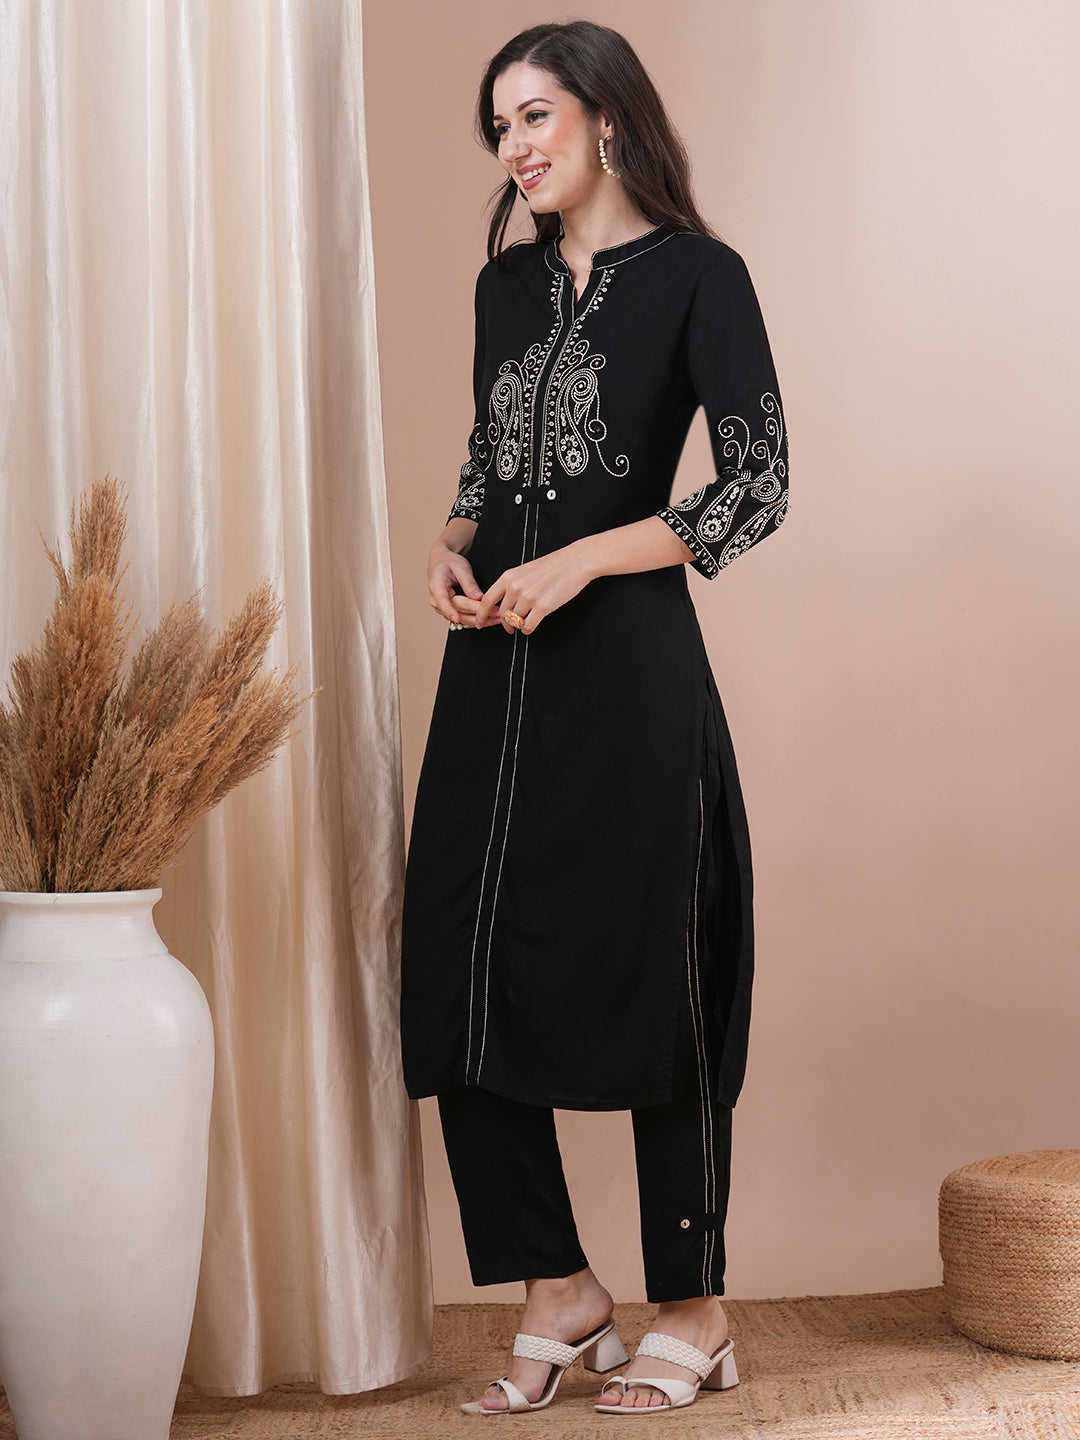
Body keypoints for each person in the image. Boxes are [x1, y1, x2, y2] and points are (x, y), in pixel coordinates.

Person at [399, 19, 788, 1416]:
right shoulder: (505, 286)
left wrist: (581, 561)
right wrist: (453, 542)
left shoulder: (698, 277)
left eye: (536, 115)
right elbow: (491, 452)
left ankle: (694, 1303)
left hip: (627, 673)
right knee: (457, 966)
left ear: (607, 117)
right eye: (499, 126)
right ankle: (557, 1287)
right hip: (495, 674)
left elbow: (756, 483)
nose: (515, 146)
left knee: (657, 969)